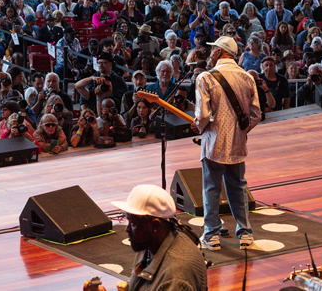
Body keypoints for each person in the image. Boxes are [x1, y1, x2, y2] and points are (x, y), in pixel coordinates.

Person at [191, 36, 261, 251]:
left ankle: (211, 235)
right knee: (238, 186)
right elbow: (256, 114)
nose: (210, 53)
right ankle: (245, 233)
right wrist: (241, 131)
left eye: (213, 50)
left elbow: (202, 115)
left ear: (219, 52)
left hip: (213, 144)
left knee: (211, 188)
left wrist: (199, 127)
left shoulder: (205, 78)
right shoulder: (247, 77)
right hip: (237, 144)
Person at [111, 184, 208, 291]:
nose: (127, 229)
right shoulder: (150, 244)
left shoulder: (175, 277)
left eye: (133, 223)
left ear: (155, 225)